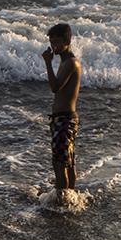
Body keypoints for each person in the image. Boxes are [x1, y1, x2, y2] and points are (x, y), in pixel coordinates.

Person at [42, 23, 81, 197]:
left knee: (60, 164)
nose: (53, 46)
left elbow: (55, 87)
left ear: (67, 40)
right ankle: (69, 198)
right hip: (65, 119)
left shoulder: (70, 63)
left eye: (57, 42)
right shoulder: (67, 61)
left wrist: (48, 64)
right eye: (52, 42)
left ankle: (62, 201)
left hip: (64, 120)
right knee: (68, 162)